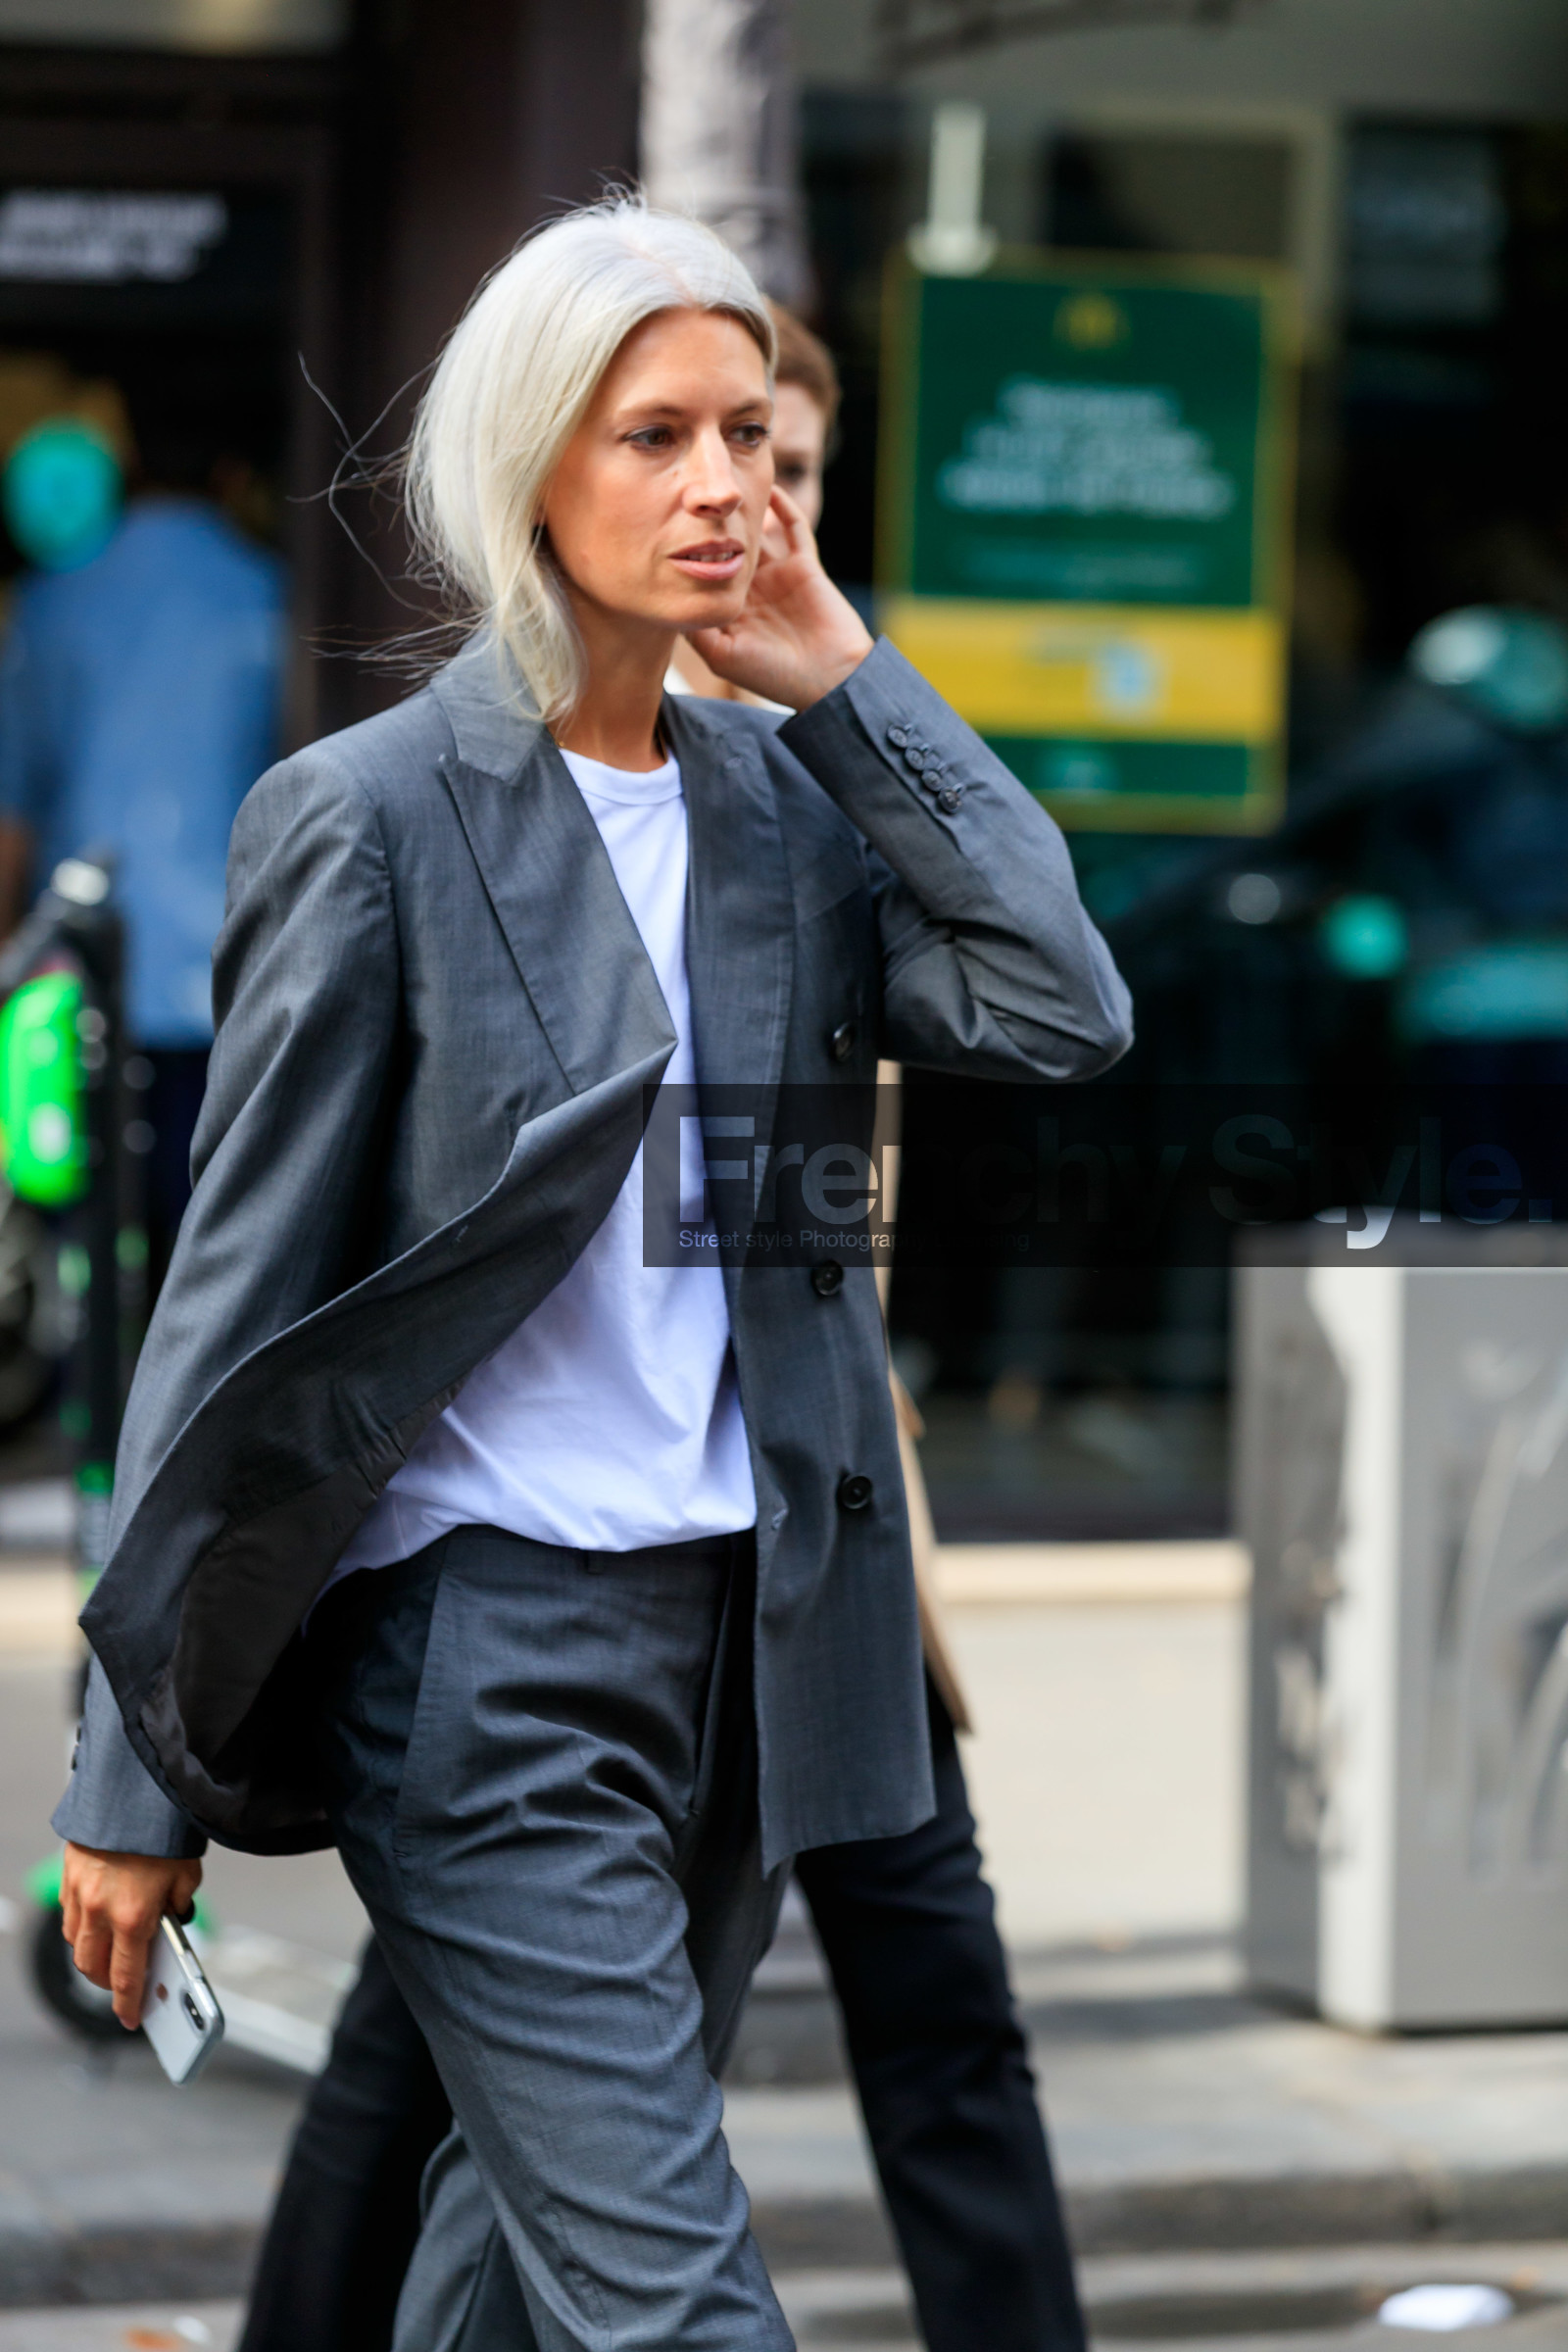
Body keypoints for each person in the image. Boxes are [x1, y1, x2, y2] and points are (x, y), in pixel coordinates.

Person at [52, 200, 1132, 2351]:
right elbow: (233, 1310)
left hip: (748, 1657)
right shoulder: (366, 818)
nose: (727, 484)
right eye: (656, 438)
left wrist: (847, 685)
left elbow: (1056, 1002)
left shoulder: (784, 809)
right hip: (484, 1673)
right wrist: (126, 1770)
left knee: (503, 2270)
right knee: (674, 2305)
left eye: (750, 434)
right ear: (527, 464)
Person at [0, 385, 285, 1289]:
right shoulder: (277, 596)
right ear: (234, 476)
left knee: (76, 1217)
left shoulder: (55, 601)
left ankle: (96, 1409)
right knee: (211, 1236)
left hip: (77, 959)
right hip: (233, 967)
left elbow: (15, 802)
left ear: (124, 468)